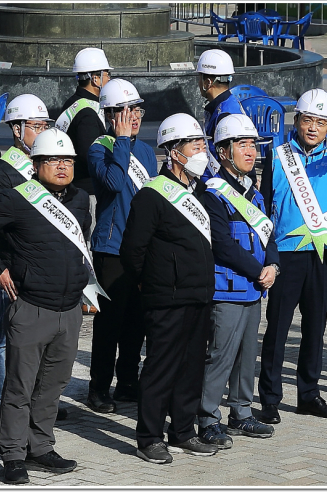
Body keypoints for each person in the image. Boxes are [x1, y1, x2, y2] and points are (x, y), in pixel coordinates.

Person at [0, 128, 91, 484]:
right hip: (31, 306)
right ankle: (12, 456)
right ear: (36, 165)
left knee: (53, 385)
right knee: (19, 387)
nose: (62, 166)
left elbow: (83, 239)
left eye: (67, 159)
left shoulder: (80, 199)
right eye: (53, 160)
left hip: (69, 311)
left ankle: (40, 447)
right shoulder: (18, 198)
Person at [257, 89, 327, 424]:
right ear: (296, 121)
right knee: (278, 328)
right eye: (307, 119)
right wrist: (268, 253)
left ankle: (309, 394)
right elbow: (266, 204)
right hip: (287, 253)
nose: (313, 127)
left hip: (324, 253)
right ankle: (270, 398)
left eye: (320, 121)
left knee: (315, 327)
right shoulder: (277, 154)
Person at [120, 113, 217, 464]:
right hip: (166, 297)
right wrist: (153, 284)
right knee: (161, 367)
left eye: (203, 144)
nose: (202, 151)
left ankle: (183, 431)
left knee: (192, 367)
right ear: (174, 152)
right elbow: (132, 251)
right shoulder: (151, 196)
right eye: (196, 145)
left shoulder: (201, 192)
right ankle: (148, 437)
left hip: (200, 295)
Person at [197, 114, 279, 449]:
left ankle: (241, 412)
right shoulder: (212, 193)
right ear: (223, 150)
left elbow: (268, 233)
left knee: (247, 355)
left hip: (254, 290)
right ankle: (207, 417)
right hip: (227, 289)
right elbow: (222, 244)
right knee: (221, 355)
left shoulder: (253, 193)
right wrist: (258, 270)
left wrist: (273, 263)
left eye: (252, 145)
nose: (250, 151)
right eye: (242, 144)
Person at [85, 79, 158, 414]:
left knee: (136, 322)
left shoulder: (145, 151)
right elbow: (114, 183)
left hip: (140, 249)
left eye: (137, 109)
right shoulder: (99, 147)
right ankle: (98, 387)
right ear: (111, 115)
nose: (135, 116)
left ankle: (128, 381)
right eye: (127, 110)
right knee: (109, 324)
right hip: (111, 248)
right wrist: (123, 141)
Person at [0, 93, 57, 424]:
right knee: (7, 336)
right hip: (14, 265)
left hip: (42, 263)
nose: (42, 131)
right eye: (36, 126)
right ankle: (3, 403)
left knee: (40, 334)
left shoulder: (43, 163)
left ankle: (34, 401)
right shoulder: (3, 172)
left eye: (45, 125)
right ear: (17, 129)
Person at [56, 47, 113, 314]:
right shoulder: (88, 114)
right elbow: (94, 158)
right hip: (87, 192)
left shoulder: (72, 105)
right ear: (94, 78)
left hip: (76, 189)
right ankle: (87, 298)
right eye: (106, 74)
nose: (109, 79)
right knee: (86, 246)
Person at [196, 49, 245, 156]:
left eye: (200, 78)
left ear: (208, 82)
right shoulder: (227, 104)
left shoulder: (224, 115)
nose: (199, 83)